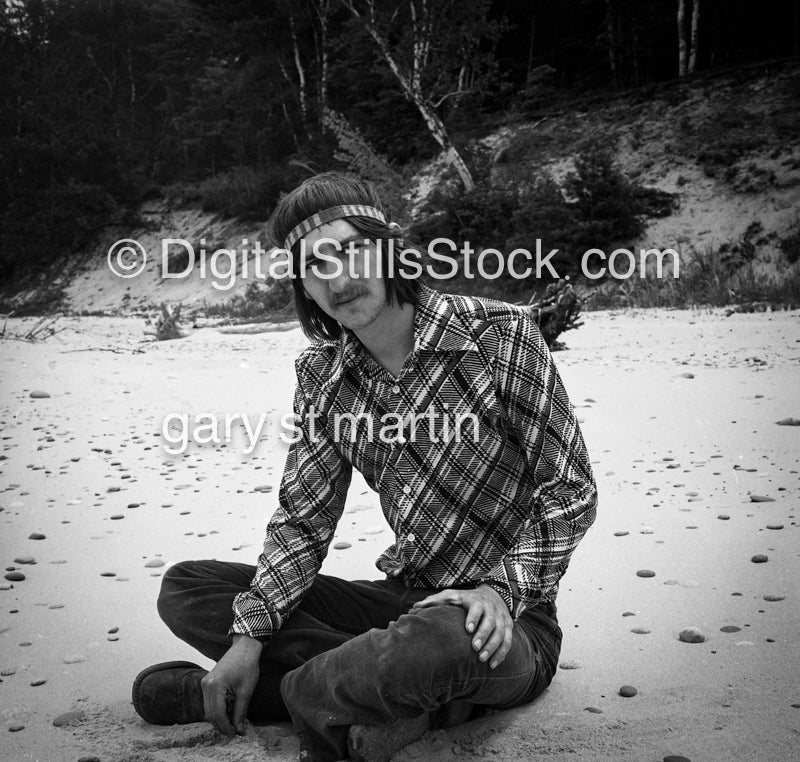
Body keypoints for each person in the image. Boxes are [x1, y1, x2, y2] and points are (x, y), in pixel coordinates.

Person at [132, 172, 597, 762]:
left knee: (439, 641)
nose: (341, 278)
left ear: (389, 247)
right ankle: (381, 690)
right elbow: (304, 520)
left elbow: (571, 490)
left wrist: (499, 591)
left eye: (352, 250)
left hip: (507, 622)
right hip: (401, 603)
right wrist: (248, 637)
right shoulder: (324, 376)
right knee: (188, 586)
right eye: (316, 264)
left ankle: (292, 694)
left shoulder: (500, 336)